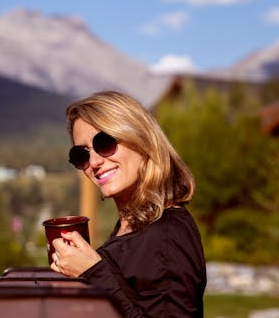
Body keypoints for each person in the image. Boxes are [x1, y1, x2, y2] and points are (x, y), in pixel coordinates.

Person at [50, 90, 206, 317]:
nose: (94, 162)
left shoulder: (167, 235)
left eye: (104, 142)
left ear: (143, 141)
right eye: (81, 154)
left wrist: (92, 273)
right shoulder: (132, 226)